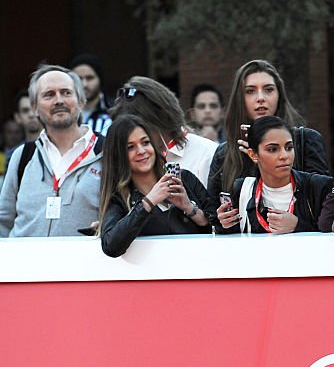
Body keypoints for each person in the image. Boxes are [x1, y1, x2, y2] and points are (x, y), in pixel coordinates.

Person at [0, 65, 104, 237]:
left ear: (81, 101)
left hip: (85, 263)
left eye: (66, 92)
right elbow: (4, 219)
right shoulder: (23, 156)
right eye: (49, 95)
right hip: (25, 263)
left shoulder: (106, 153)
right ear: (35, 108)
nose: (59, 101)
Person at [208, 60, 330, 199]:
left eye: (269, 89)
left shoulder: (306, 140)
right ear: (240, 98)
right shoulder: (224, 153)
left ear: (279, 95)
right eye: (250, 91)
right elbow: (212, 210)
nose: (261, 98)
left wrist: (264, 160)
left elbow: (322, 201)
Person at [98, 115, 215, 257]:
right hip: (152, 276)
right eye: (130, 147)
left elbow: (219, 229)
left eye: (145, 142)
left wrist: (189, 208)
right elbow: (111, 246)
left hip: (199, 271)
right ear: (118, 155)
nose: (141, 151)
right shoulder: (119, 198)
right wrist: (148, 202)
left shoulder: (185, 179)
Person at [215, 115, 334, 234]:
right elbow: (235, 240)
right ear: (253, 155)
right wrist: (225, 225)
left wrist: (298, 226)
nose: (284, 156)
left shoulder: (319, 186)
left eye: (289, 147)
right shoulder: (243, 188)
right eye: (272, 149)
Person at [110, 76, 219, 190]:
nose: (134, 136)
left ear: (163, 118)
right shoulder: (129, 160)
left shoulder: (207, 154)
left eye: (141, 127)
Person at [69, 54, 112, 136]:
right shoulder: (65, 111)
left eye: (89, 78)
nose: (84, 84)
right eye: (78, 78)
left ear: (100, 79)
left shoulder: (113, 110)